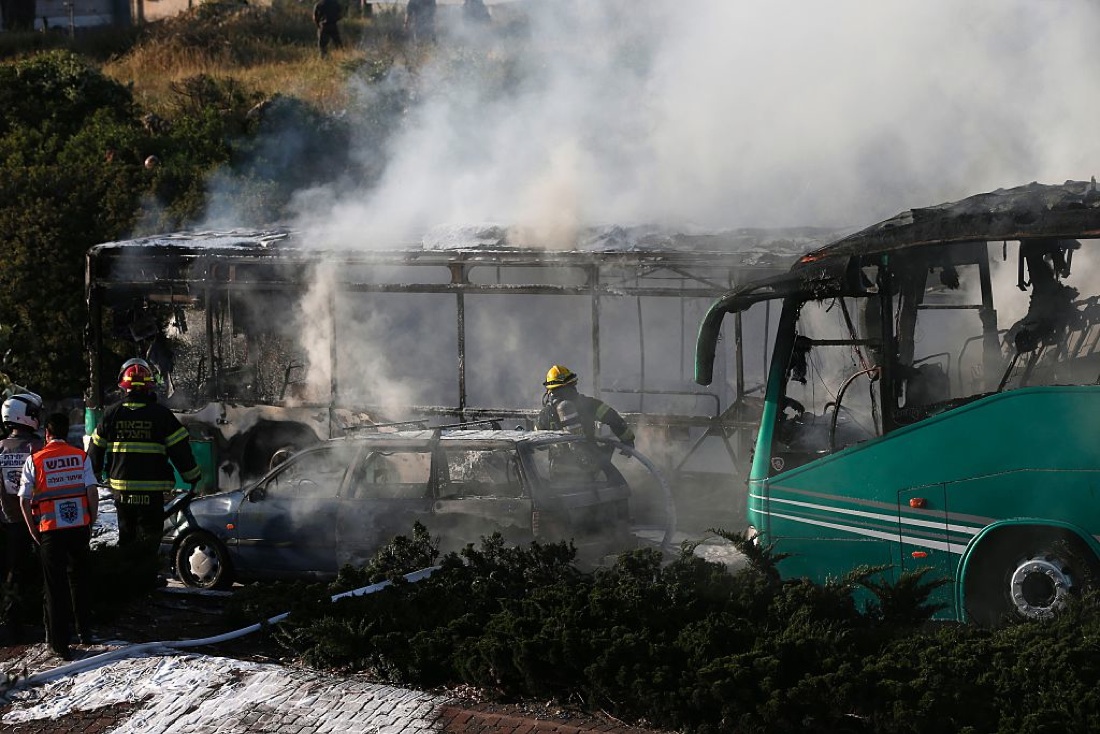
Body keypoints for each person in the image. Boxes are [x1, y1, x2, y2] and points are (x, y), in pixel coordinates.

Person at [88, 358, 201, 588]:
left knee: (127, 537)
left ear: (123, 385)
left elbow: (94, 452)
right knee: (150, 539)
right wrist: (193, 477)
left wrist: (94, 477)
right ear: (150, 386)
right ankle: (147, 581)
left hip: (122, 491)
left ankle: (127, 583)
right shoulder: (161, 415)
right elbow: (181, 451)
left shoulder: (111, 414)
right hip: (152, 492)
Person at [19, 412, 98, 660]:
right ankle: (85, 631)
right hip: (78, 528)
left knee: (55, 587)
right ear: (65, 433)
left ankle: (60, 644)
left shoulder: (35, 460)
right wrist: (91, 521)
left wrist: (32, 528)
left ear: (47, 434)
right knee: (80, 580)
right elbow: (92, 491)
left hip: (50, 530)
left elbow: (23, 498)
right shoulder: (80, 456)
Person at [0, 393, 43, 643]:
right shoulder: (37, 448)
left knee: (13, 574)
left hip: (8, 523)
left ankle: (12, 624)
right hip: (37, 522)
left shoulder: (1, 448)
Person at [535, 365, 635, 448]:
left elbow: (538, 444)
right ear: (573, 384)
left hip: (559, 469)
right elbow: (613, 418)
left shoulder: (545, 414)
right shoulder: (590, 404)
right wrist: (628, 440)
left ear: (550, 390)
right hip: (590, 463)